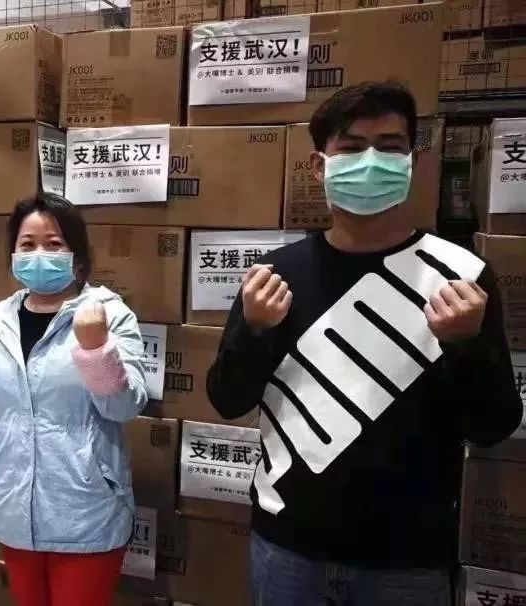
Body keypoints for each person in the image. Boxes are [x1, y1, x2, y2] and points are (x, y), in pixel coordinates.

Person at [206, 82, 523, 606]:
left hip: (408, 558)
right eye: (352, 148)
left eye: (390, 147)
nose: (371, 162)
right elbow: (227, 398)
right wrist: (255, 331)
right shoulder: (275, 276)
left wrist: (466, 346)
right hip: (289, 548)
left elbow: (493, 426)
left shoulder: (461, 277)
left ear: (412, 162)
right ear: (319, 165)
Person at [0, 193, 147, 606]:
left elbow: (123, 406)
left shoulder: (109, 314)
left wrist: (96, 348)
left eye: (54, 243)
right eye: (27, 244)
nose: (39, 253)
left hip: (84, 506)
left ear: (77, 254)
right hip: (15, 504)